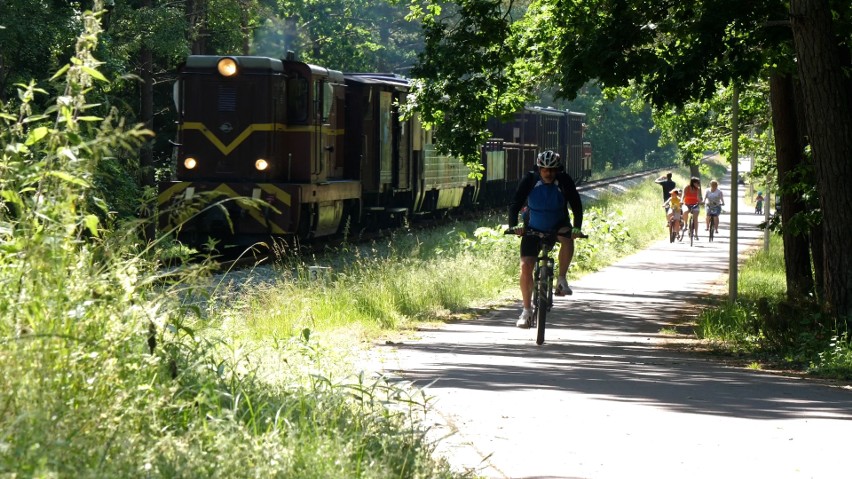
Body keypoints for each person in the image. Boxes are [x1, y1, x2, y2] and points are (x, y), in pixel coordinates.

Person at [508, 150, 584, 328]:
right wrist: (514, 226)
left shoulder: (564, 180)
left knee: (567, 238)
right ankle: (526, 311)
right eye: (545, 170)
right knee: (526, 265)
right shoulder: (530, 180)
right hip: (533, 226)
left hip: (558, 224)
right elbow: (515, 204)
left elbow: (576, 205)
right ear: (539, 169)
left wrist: (577, 227)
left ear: (558, 170)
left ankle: (562, 279)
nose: (548, 173)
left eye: (552, 170)